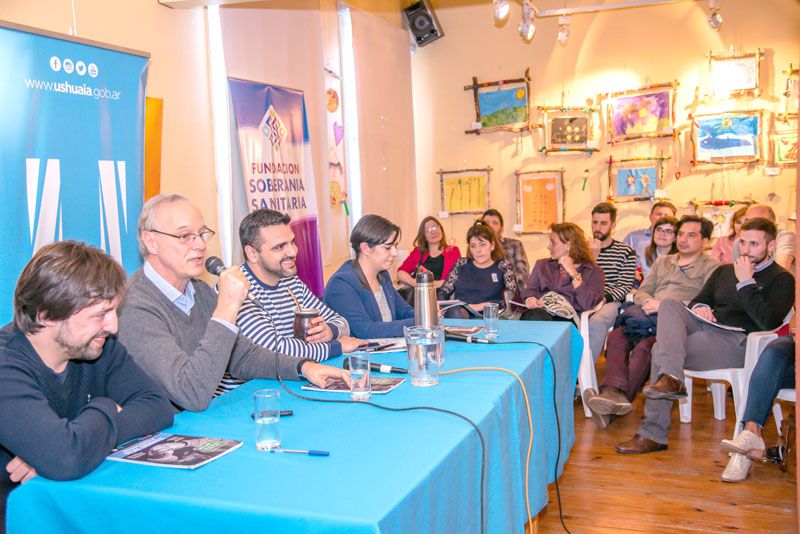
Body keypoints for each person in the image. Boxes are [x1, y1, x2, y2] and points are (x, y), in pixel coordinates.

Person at [118, 194, 349, 412]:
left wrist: (304, 367)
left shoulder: (197, 291)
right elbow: (191, 393)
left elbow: (243, 355)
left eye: (202, 234)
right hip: (159, 436)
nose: (199, 245)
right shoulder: (135, 307)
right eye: (185, 236)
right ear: (151, 241)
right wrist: (227, 306)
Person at [0, 241, 174, 523]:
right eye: (100, 314)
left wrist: (76, 444)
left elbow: (157, 407)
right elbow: (65, 457)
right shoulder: (5, 366)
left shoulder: (99, 345)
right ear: (46, 315)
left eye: (114, 311)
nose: (113, 326)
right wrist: (107, 407)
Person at [615, 217, 795, 454]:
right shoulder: (724, 271)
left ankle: (654, 431)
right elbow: (699, 299)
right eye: (743, 242)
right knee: (669, 303)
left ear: (770, 246)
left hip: (740, 341)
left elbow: (769, 321)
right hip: (708, 327)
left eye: (754, 244)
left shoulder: (782, 279)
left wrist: (746, 282)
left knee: (660, 350)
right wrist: (701, 307)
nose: (746, 250)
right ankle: (672, 378)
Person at [584, 215, 719, 428]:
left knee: (646, 347)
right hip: (647, 314)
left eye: (691, 235)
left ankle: (617, 401)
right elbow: (643, 290)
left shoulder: (712, 268)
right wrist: (648, 301)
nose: (683, 239)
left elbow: (706, 302)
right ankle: (611, 392)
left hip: (676, 323)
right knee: (617, 337)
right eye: (681, 234)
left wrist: (663, 304)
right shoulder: (664, 261)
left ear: (705, 241)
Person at [236, 209, 366, 362]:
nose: (293, 251)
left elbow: (341, 322)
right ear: (252, 253)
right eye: (279, 247)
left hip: (294, 375)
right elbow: (273, 350)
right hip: (253, 384)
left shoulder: (291, 282)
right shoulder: (237, 288)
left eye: (292, 242)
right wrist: (335, 347)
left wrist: (329, 331)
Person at [324, 214, 415, 338]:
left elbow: (404, 311)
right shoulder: (341, 283)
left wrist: (426, 315)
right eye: (388, 247)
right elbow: (366, 330)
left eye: (395, 246)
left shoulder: (382, 276)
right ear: (365, 248)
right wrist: (420, 323)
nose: (394, 253)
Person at [720, 336, 795, 482]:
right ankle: (751, 431)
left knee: (769, 374)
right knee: (773, 352)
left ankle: (746, 446)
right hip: (793, 341)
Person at [520, 223, 604, 322]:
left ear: (568, 246)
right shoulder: (542, 265)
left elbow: (587, 303)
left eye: (553, 242)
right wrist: (530, 298)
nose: (548, 246)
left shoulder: (593, 271)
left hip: (567, 320)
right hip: (539, 314)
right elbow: (530, 290)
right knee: (532, 316)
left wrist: (573, 272)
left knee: (534, 318)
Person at [586, 202, 637, 363]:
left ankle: (584, 376)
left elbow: (624, 286)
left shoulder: (626, 251)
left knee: (596, 322)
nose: (598, 227)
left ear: (613, 225)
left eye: (603, 223)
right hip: (583, 297)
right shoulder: (582, 250)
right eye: (595, 222)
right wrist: (591, 258)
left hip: (610, 300)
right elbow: (577, 278)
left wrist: (604, 298)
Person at [437, 222, 517, 317]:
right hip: (460, 316)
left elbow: (512, 300)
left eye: (482, 245)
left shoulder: (503, 266)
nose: (478, 250)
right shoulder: (461, 264)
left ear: (492, 246)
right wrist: (439, 307)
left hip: (491, 318)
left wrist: (481, 306)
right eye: (473, 246)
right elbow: (443, 293)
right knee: (455, 312)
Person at [396, 216, 461, 291]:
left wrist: (431, 284)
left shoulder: (453, 251)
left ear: (441, 229)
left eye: (435, 227)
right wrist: (415, 283)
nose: (433, 232)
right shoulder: (417, 252)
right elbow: (400, 273)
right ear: (424, 236)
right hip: (421, 296)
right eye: (428, 230)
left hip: (445, 297)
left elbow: (458, 278)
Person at [732, 204, 796, 270]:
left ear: (772, 224)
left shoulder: (784, 236)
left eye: (758, 222)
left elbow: (782, 269)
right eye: (747, 221)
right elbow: (739, 271)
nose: (750, 225)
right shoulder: (738, 243)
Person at [623, 201, 677, 276]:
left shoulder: (680, 241)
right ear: (650, 217)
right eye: (658, 214)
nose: (662, 217)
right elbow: (620, 262)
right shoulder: (633, 237)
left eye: (666, 215)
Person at [481, 209, 530, 292]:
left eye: (495, 223)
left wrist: (500, 280)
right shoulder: (477, 248)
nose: (490, 226)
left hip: (509, 292)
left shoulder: (514, 245)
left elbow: (523, 275)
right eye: (487, 222)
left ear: (501, 228)